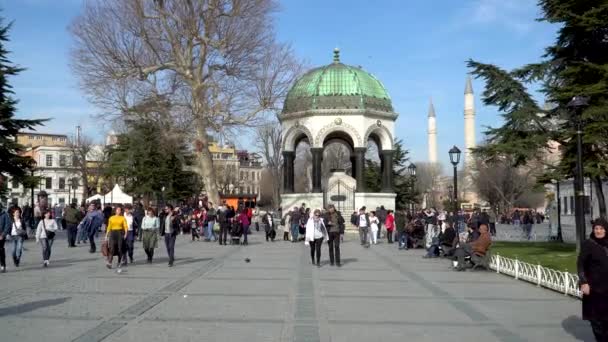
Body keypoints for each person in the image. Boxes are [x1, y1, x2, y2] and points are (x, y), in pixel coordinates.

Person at [577, 218, 608, 341]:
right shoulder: (588, 244)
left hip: (607, 288)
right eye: (596, 228)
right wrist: (583, 282)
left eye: (601, 228)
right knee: (596, 318)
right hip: (594, 288)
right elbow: (580, 264)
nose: (598, 231)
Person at [0, 204, 10, 272]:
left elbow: (7, 225)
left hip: (1, 235)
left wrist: (3, 235)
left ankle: (3, 265)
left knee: (0, 250)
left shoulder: (4, 214)